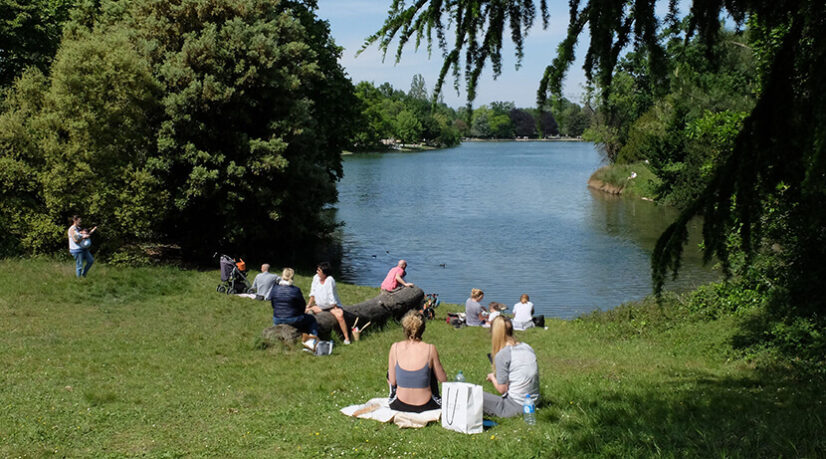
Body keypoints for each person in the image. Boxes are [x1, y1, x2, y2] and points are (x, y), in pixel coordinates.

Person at [387, 310, 447, 413]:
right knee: (430, 370)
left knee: (390, 371)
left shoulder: (395, 347)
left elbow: (393, 381)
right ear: (423, 329)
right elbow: (443, 379)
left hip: (399, 405)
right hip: (427, 405)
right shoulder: (430, 349)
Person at [483, 316, 540, 418]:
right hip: (534, 403)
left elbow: (502, 389)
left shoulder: (503, 355)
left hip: (514, 407)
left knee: (472, 394)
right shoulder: (527, 347)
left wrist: (492, 377)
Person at [267, 268, 319, 349]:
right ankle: (313, 342)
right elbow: (302, 305)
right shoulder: (295, 290)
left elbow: (273, 305)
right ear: (292, 277)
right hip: (293, 318)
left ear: (282, 276)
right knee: (312, 319)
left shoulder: (274, 289)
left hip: (277, 318)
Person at [306, 261, 352, 344]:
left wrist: (335, 307)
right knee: (306, 312)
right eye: (317, 270)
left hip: (331, 306)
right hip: (320, 306)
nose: (317, 272)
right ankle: (308, 338)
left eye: (319, 271)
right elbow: (312, 293)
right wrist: (308, 305)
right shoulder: (316, 278)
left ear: (324, 274)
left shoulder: (329, 280)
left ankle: (346, 338)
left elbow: (331, 295)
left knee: (340, 316)